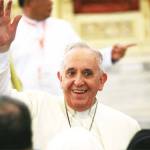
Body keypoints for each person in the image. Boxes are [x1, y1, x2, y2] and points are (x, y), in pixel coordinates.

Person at [0, 1, 140, 149]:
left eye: (87, 73)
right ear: (60, 78)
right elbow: (4, 99)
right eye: (71, 73)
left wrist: (110, 54)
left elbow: (88, 56)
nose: (78, 81)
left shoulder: (126, 127)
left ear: (102, 81)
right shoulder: (36, 107)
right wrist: (2, 50)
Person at [10, 0, 135, 95]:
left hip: (60, 99)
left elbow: (85, 56)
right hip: (25, 101)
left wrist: (110, 55)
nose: (51, 2)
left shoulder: (62, 27)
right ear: (28, 3)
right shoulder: (12, 30)